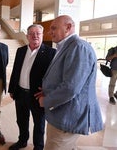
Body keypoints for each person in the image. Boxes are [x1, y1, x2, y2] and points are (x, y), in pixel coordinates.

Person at [35, 15, 103, 150]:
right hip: (62, 113)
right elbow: (65, 78)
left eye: (54, 28)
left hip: (67, 116)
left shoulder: (78, 47)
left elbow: (71, 88)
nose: (50, 32)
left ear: (68, 27)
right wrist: (48, 90)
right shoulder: (67, 46)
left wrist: (46, 100)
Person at [8, 24, 56, 150]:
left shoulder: (51, 53)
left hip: (37, 96)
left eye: (38, 33)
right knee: (21, 120)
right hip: (20, 93)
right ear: (27, 36)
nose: (35, 36)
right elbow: (16, 71)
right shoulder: (21, 50)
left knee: (39, 124)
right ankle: (22, 141)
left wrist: (47, 92)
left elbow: (55, 76)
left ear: (42, 35)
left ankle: (38, 147)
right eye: (32, 33)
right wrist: (12, 89)